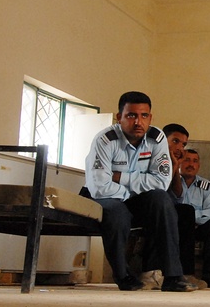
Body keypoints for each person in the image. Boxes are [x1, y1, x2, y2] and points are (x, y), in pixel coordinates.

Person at [82, 92, 196, 292]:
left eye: (144, 116)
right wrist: (131, 194)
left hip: (132, 196)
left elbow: (161, 182)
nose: (138, 122)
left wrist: (121, 177)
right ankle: (123, 276)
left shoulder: (157, 138)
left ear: (150, 118)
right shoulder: (105, 140)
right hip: (106, 197)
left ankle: (172, 276)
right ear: (120, 118)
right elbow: (99, 186)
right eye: (131, 115)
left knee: (162, 199)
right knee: (118, 213)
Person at [172, 148, 210, 288]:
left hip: (198, 226)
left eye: (195, 161)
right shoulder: (172, 183)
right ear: (179, 163)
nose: (191, 164)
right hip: (176, 227)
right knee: (185, 217)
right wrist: (189, 218)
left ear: (199, 166)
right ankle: (186, 273)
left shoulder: (206, 186)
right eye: (187, 160)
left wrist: (194, 218)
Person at [162, 123, 200, 284]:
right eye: (175, 141)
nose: (180, 147)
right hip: (143, 204)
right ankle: (151, 272)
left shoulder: (171, 162)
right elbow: (158, 189)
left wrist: (175, 167)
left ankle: (186, 272)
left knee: (185, 211)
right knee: (162, 209)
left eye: (183, 144)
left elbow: (178, 196)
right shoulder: (150, 155)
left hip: (165, 206)